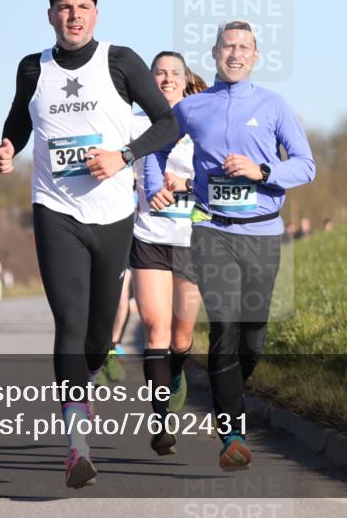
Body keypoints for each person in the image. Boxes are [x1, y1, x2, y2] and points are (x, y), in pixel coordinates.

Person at [0, 0, 178, 489]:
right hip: (56, 211)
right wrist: (7, 147)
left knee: (97, 338)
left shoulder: (121, 62)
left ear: (96, 16)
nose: (75, 16)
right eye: (66, 8)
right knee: (69, 322)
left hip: (114, 215)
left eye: (84, 8)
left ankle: (86, 379)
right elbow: (19, 121)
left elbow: (170, 123)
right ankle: (77, 448)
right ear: (50, 16)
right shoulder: (34, 68)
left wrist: (124, 155)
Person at [147, 19, 315, 470]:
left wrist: (263, 172)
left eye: (244, 47)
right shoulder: (193, 108)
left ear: (256, 56)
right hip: (212, 230)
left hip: (263, 232)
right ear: (215, 54)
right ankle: (231, 435)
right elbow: (157, 148)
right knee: (224, 326)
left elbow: (305, 165)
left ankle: (230, 394)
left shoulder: (274, 105)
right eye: (227, 46)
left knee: (252, 338)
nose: (235, 54)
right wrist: (153, 185)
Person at [129, 52, 206, 456]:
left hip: (191, 239)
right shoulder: (135, 124)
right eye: (158, 72)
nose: (166, 78)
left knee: (181, 337)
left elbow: (216, 178)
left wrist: (185, 184)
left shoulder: (200, 125)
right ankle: (161, 420)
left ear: (186, 79)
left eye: (174, 73)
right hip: (149, 237)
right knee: (155, 330)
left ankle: (177, 375)